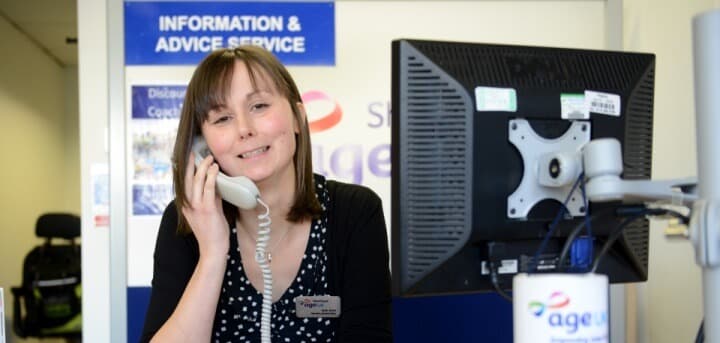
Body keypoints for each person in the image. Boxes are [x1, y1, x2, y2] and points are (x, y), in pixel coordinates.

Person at [140, 45, 392, 343]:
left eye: (259, 106)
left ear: (298, 117)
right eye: (222, 118)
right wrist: (212, 253)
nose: (244, 129)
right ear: (202, 146)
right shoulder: (186, 219)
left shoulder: (354, 212)